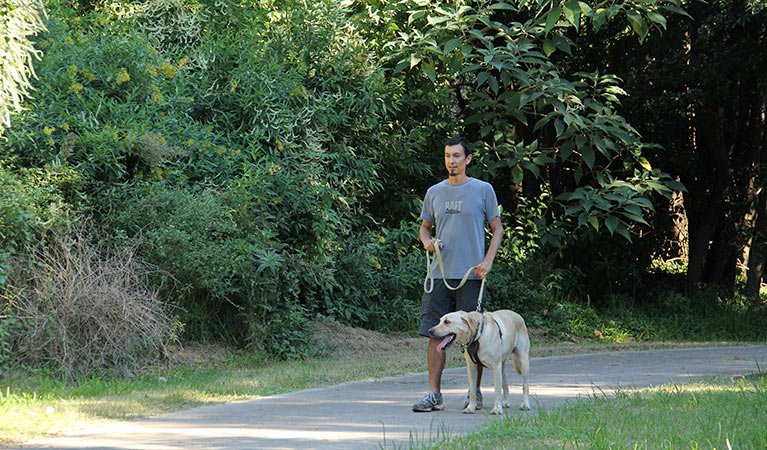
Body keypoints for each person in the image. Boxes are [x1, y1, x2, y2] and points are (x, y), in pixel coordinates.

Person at [412, 136, 503, 412]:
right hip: (439, 275)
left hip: (472, 276)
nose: (451, 161)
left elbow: (497, 228)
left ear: (468, 159)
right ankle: (433, 394)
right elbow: (425, 227)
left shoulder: (483, 190)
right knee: (435, 335)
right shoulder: (434, 192)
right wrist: (427, 241)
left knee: (473, 337)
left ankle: (473, 394)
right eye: (447, 155)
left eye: (456, 156)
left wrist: (487, 261)